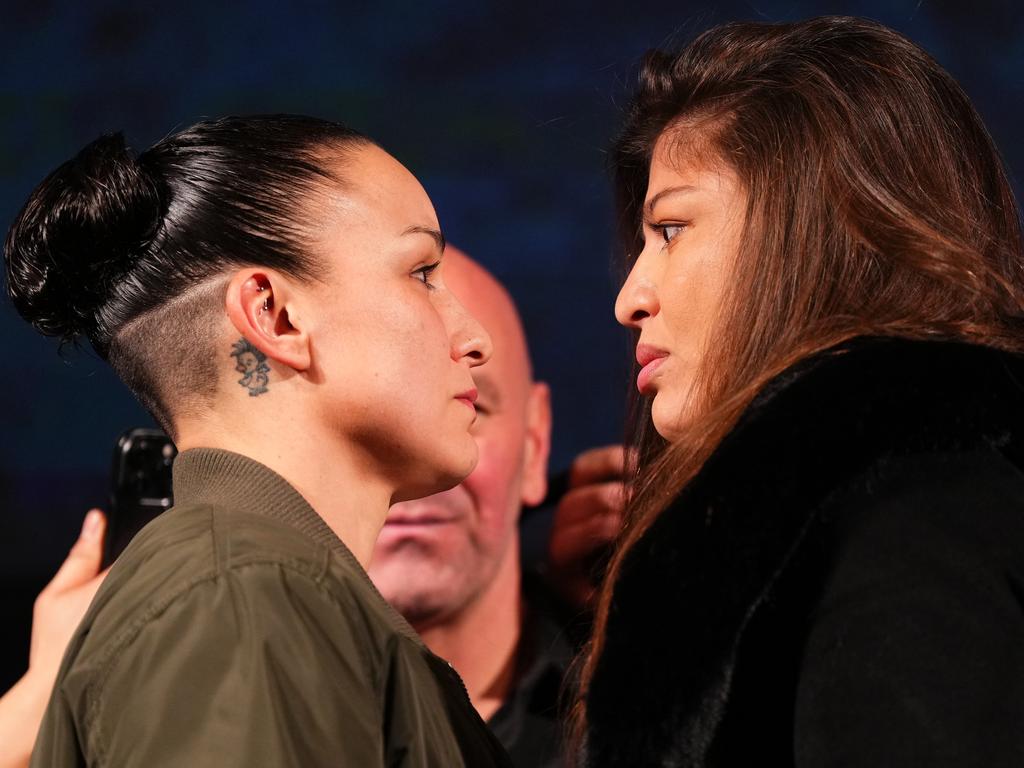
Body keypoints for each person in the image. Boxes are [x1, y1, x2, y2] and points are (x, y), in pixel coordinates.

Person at [576, 16, 1024, 768]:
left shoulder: (916, 517)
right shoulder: (866, 514)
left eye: (673, 227)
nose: (630, 297)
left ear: (820, 224)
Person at [5, 115, 511, 766]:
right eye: (421, 272)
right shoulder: (241, 597)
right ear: (276, 317)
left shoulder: (259, 593)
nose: (476, 339)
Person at [369, 247, 624, 768]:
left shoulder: (656, 706)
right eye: (375, 415)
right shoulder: (213, 706)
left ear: (535, 443)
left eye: (467, 406)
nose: (421, 463)